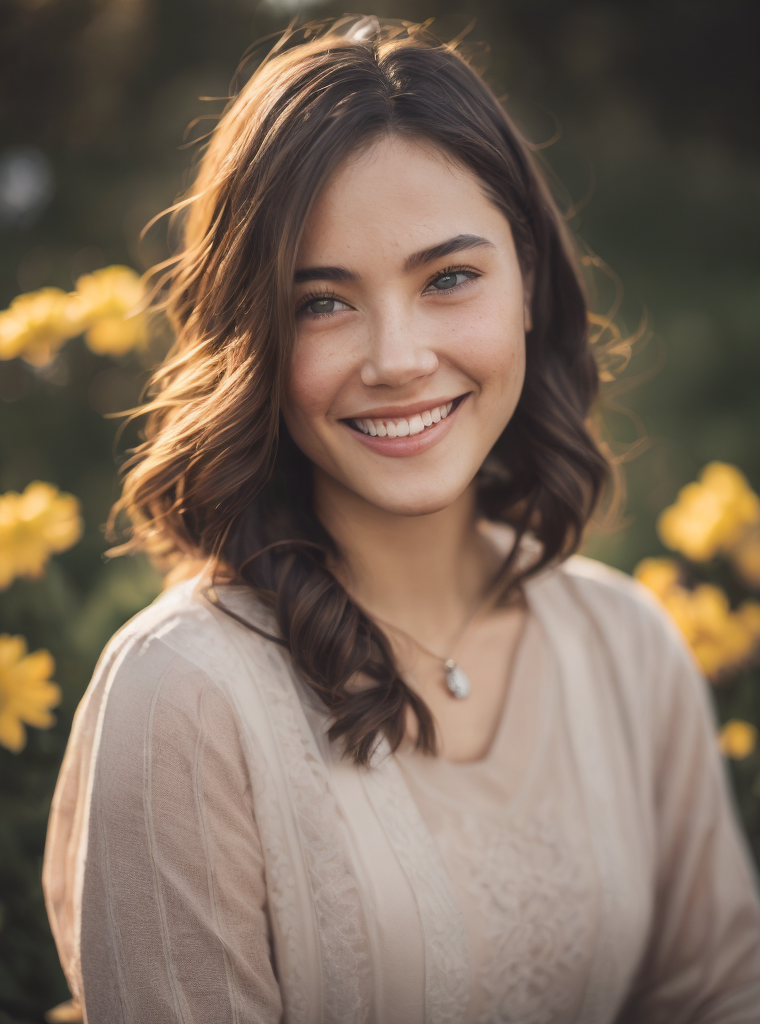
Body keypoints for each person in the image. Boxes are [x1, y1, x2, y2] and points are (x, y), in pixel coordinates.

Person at [42, 15, 760, 1024]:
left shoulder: (629, 647)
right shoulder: (184, 698)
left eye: (449, 279)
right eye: (324, 303)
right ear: (251, 339)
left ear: (528, 285)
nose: (397, 356)